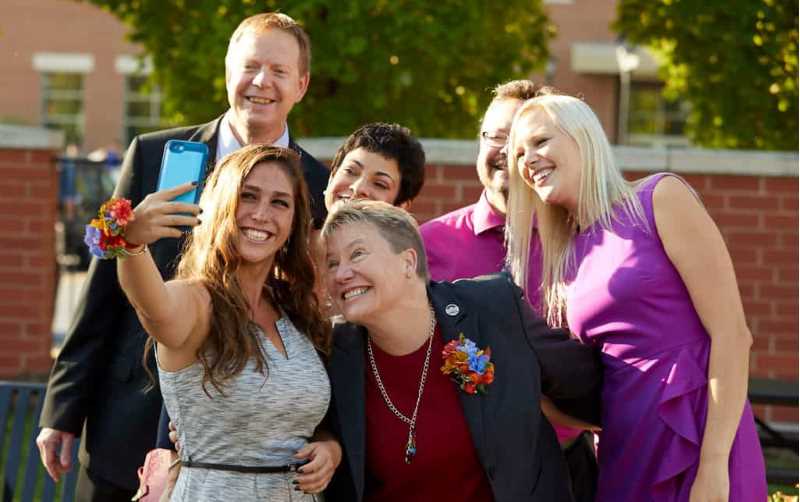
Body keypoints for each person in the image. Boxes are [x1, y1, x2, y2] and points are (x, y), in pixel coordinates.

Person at [37, 12, 329, 501]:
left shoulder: (319, 186)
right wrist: (63, 408)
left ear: (301, 84)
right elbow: (102, 285)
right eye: (250, 66)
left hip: (247, 451)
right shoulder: (154, 155)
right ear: (227, 71)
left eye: (279, 71)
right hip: (130, 419)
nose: (262, 82)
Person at [504, 94, 767, 501]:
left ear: (582, 138)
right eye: (519, 153)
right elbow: (595, 385)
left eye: (540, 142)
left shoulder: (659, 198)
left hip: (696, 431)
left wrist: (714, 465)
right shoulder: (567, 254)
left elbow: (732, 334)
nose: (528, 160)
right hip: (624, 446)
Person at [321, 200, 602, 501]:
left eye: (357, 254)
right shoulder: (334, 352)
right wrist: (326, 444)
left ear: (407, 261)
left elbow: (592, 391)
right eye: (331, 263)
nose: (341, 274)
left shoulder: (492, 308)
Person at [118, 145, 337, 500]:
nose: (262, 214)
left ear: (294, 220)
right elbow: (153, 305)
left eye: (280, 202)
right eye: (248, 196)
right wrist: (131, 243)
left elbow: (299, 417)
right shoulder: (195, 301)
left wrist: (329, 449)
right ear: (221, 204)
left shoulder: (296, 309)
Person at [418, 80, 597, 501]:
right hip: (465, 475)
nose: (505, 150)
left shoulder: (585, 240)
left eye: (519, 138)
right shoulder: (427, 246)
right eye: (495, 136)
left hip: (571, 466)